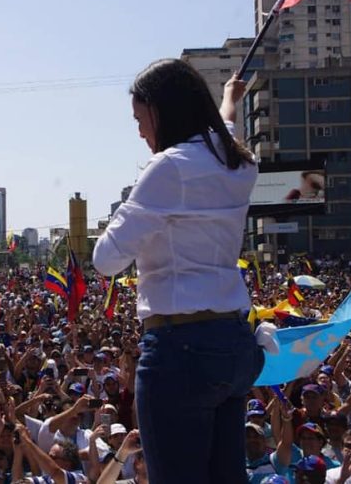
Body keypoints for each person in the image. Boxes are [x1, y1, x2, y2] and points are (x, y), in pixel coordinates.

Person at [92, 58, 262, 483]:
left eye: (140, 118)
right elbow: (225, 128)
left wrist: (132, 207)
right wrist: (230, 101)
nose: (139, 131)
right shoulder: (238, 161)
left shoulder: (168, 168)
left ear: (161, 109)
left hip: (181, 350)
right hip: (233, 345)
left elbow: (106, 259)